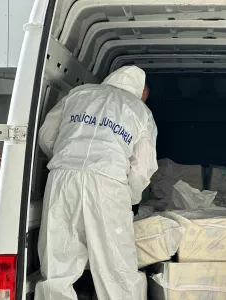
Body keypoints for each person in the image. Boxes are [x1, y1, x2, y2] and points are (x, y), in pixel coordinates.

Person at [35, 65, 158, 300]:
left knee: (58, 259)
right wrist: (130, 197)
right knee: (115, 265)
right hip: (108, 183)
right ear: (141, 92)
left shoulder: (79, 94)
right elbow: (143, 167)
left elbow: (46, 134)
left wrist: (67, 158)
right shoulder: (139, 111)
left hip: (63, 178)